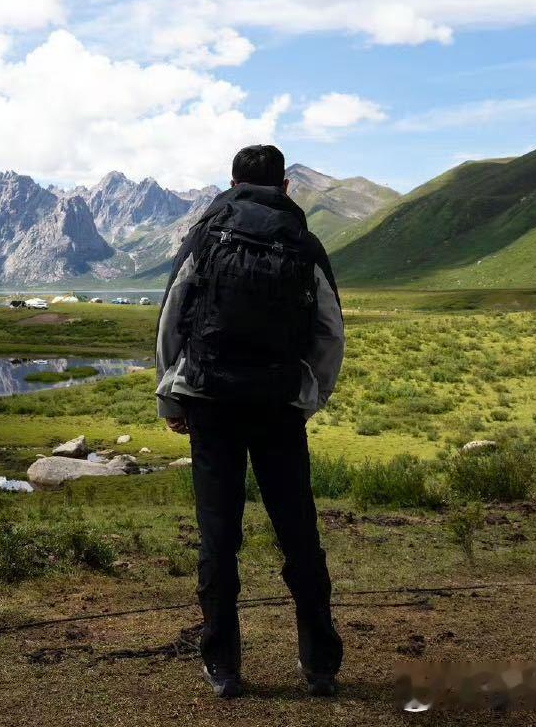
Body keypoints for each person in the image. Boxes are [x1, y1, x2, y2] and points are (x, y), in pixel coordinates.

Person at [155, 144, 345, 699]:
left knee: (218, 537)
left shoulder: (207, 234)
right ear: (286, 186)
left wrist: (172, 399)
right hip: (279, 405)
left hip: (211, 403)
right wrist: (310, 396)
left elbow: (172, 315)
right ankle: (320, 666)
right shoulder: (303, 242)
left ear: (232, 181)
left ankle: (223, 666)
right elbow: (329, 329)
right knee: (299, 535)